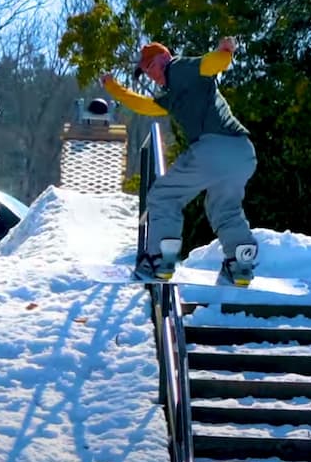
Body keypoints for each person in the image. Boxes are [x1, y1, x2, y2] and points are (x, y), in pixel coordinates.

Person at [99, 36, 259, 286]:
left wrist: (225, 52)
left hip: (213, 147)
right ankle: (240, 263)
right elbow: (144, 106)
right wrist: (114, 88)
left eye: (151, 66)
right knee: (224, 208)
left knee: (164, 196)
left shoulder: (179, 68)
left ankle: (160, 260)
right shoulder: (174, 95)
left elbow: (209, 64)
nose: (151, 75)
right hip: (241, 152)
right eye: (145, 72)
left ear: (164, 57)